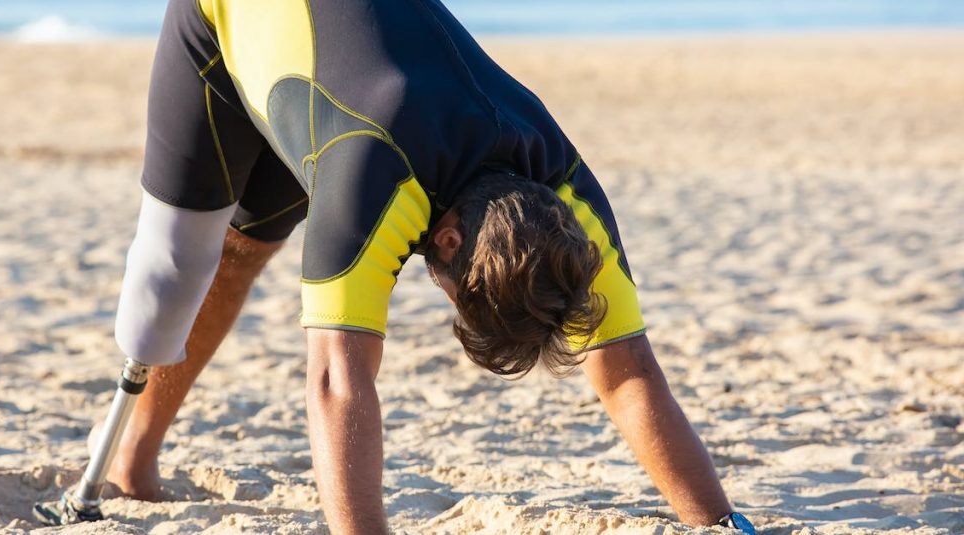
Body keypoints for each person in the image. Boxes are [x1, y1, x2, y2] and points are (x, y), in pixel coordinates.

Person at [98, 0, 757, 532]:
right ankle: (129, 462)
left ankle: (135, 459)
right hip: (223, 26)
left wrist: (724, 524)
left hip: (336, 81)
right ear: (445, 241)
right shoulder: (375, 176)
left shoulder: (566, 200)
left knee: (252, 245)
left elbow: (628, 374)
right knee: (185, 261)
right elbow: (336, 380)